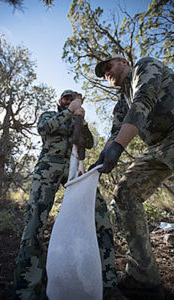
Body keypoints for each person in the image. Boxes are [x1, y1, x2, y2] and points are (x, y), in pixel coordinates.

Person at [13, 89, 125, 300]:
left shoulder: (78, 120)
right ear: (59, 101)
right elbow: (43, 128)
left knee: (100, 216)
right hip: (48, 167)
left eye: (75, 98)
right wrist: (69, 111)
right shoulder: (50, 115)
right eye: (67, 98)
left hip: (76, 169)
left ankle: (107, 283)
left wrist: (80, 118)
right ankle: (26, 288)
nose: (71, 101)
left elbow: (89, 143)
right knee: (35, 222)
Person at [93, 54, 174, 299]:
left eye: (109, 66)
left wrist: (118, 147)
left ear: (123, 62)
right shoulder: (121, 100)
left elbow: (144, 99)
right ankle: (143, 277)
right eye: (103, 72)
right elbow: (116, 129)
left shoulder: (144, 66)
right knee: (125, 193)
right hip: (158, 147)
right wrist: (102, 158)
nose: (107, 72)